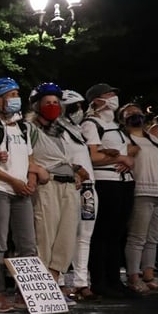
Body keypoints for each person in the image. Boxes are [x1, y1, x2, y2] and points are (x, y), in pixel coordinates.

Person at [0, 78, 42, 312]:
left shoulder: (23, 127)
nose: (16, 98)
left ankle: (27, 292)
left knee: (28, 244)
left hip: (22, 192)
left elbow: (31, 159)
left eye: (17, 93)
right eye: (11, 94)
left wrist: (31, 181)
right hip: (0, 190)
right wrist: (13, 181)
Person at [80, 83, 137, 299]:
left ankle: (115, 280)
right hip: (106, 182)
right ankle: (100, 281)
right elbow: (92, 157)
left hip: (123, 181)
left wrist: (125, 158)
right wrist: (120, 158)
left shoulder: (114, 124)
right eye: (109, 94)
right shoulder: (91, 124)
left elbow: (127, 148)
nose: (114, 97)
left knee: (117, 234)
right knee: (103, 234)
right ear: (96, 100)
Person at [28, 83, 86, 288]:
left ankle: (52, 281)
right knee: (45, 236)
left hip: (69, 185)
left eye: (55, 102)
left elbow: (66, 157)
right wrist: (35, 169)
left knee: (67, 236)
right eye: (47, 102)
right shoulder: (29, 128)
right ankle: (41, 286)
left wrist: (75, 171)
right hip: (48, 184)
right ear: (36, 105)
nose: (52, 106)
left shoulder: (61, 129)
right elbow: (24, 155)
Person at [119, 103, 158, 292]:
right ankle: (133, 276)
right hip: (142, 191)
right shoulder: (125, 139)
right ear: (122, 119)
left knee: (152, 238)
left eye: (137, 112)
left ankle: (149, 275)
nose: (135, 114)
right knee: (137, 237)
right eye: (130, 113)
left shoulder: (152, 139)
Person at [60, 89, 101, 302]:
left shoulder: (77, 131)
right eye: (75, 107)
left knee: (84, 237)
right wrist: (75, 169)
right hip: (69, 187)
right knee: (63, 235)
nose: (80, 110)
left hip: (88, 188)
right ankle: (57, 282)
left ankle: (81, 283)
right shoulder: (57, 130)